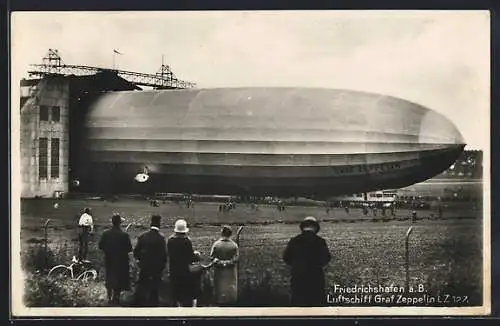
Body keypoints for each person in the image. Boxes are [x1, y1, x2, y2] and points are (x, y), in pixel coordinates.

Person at [283, 216, 331, 306]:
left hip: (298, 276)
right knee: (317, 302)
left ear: (303, 227)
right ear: (315, 228)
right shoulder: (320, 241)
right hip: (316, 276)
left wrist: (296, 265)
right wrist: (317, 265)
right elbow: (326, 258)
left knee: (298, 303)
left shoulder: (294, 241)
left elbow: (286, 258)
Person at [133, 215, 168, 306]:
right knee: (155, 286)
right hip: (157, 267)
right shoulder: (161, 238)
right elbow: (164, 255)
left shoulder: (143, 236)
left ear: (151, 223)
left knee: (142, 284)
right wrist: (162, 266)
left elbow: (136, 252)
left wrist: (140, 260)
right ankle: (153, 303)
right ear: (159, 224)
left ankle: (139, 302)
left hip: (145, 265)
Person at [98, 213, 132, 305]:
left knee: (109, 276)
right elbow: (129, 248)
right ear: (120, 223)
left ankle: (109, 297)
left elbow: (100, 246)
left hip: (109, 259)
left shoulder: (106, 234)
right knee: (119, 278)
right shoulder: (124, 235)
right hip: (121, 260)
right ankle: (116, 297)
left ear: (112, 223)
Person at [167, 218, 198, 307]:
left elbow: (170, 254)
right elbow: (190, 258)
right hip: (185, 271)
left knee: (175, 294)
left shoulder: (170, 240)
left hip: (173, 270)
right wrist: (196, 255)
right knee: (185, 294)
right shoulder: (187, 241)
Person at [210, 225, 239, 306]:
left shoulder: (216, 244)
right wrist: (227, 263)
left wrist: (220, 263)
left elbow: (212, 257)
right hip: (230, 271)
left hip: (219, 271)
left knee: (219, 287)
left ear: (221, 233)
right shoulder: (234, 245)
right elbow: (236, 259)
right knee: (230, 287)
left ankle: (219, 301)